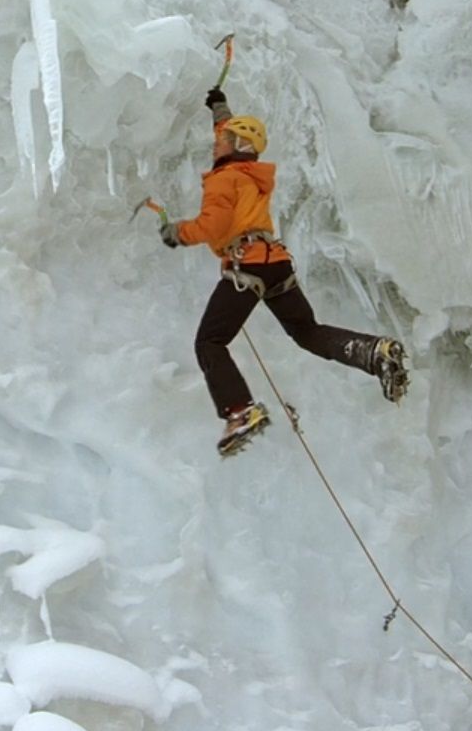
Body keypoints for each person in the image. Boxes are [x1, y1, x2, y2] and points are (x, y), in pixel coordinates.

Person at [157, 88, 409, 456]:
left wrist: (177, 233)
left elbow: (213, 225)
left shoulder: (223, 179)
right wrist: (219, 108)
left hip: (249, 267)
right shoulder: (248, 173)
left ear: (239, 144)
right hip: (275, 264)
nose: (216, 145)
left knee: (209, 342)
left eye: (223, 140)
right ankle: (373, 352)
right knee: (307, 331)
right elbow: (231, 136)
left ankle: (240, 412)